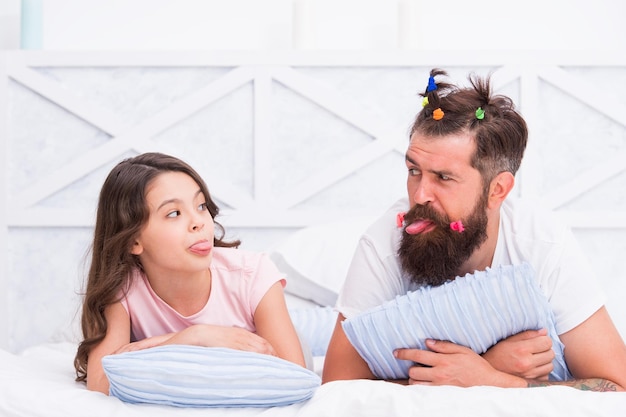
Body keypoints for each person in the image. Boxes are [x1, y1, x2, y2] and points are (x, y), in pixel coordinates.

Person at [322, 68, 626, 391]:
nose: (420, 195)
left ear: (497, 191)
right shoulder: (384, 241)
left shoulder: (542, 243)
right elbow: (337, 387)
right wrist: (483, 367)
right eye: (414, 170)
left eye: (443, 177)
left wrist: (494, 380)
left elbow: (617, 387)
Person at [74, 152, 306, 394]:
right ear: (133, 241)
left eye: (201, 206)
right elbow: (100, 382)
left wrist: (160, 342)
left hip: (285, 342)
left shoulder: (252, 273)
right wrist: (195, 337)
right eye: (174, 213)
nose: (199, 222)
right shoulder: (124, 289)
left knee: (313, 324)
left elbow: (295, 375)